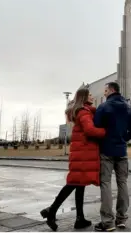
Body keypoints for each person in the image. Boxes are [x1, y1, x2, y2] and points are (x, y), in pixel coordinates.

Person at [40, 88, 105, 231]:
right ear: (84, 97)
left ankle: (79, 218)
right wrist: (104, 131)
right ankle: (51, 211)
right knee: (73, 183)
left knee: (79, 185)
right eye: (90, 94)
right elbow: (90, 130)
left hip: (81, 153)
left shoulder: (83, 111)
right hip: (83, 154)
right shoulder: (83, 112)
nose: (92, 96)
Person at [93, 82, 131, 232]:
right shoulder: (128, 107)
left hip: (106, 150)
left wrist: (106, 139)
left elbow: (96, 128)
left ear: (111, 90)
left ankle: (107, 222)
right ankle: (121, 218)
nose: (104, 93)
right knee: (122, 183)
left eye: (105, 90)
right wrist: (122, 139)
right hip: (122, 151)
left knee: (105, 183)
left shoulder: (103, 107)